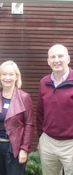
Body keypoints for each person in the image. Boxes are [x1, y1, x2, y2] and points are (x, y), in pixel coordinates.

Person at [0, 60, 34, 175]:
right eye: (4, 74)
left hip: (15, 148)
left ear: (16, 77)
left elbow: (29, 124)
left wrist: (24, 149)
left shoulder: (24, 97)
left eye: (11, 74)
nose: (7, 78)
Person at [37, 44, 73, 175]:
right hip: (48, 142)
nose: (56, 60)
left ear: (68, 59)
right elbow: (40, 112)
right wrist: (41, 137)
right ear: (48, 61)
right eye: (52, 57)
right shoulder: (44, 82)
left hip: (71, 144)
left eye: (60, 56)